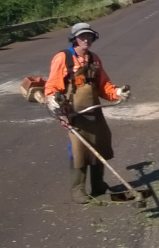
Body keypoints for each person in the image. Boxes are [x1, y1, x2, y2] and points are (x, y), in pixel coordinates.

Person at [45, 23, 130, 204]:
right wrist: (52, 100)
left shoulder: (94, 59)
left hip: (94, 110)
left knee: (100, 143)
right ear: (75, 38)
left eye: (89, 36)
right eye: (82, 36)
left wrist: (118, 93)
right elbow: (52, 86)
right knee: (79, 150)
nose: (86, 40)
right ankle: (78, 190)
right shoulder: (63, 58)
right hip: (74, 113)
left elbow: (104, 86)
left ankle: (98, 185)